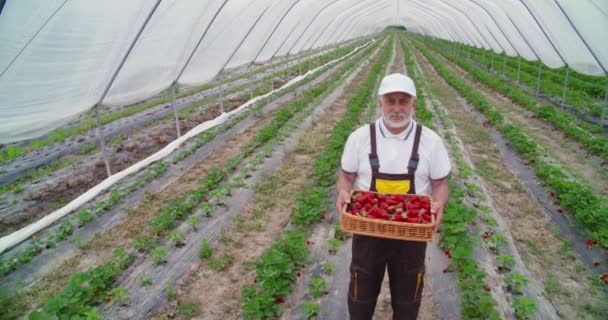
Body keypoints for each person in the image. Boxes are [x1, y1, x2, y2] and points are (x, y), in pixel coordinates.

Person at [336, 73, 450, 320]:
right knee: (361, 295)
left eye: (403, 101)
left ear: (413, 104)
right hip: (368, 230)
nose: (397, 108)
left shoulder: (430, 142)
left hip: (411, 232)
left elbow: (440, 183)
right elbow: (346, 176)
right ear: (380, 103)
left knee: (408, 299)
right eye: (391, 101)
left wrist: (439, 201)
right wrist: (344, 192)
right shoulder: (359, 139)